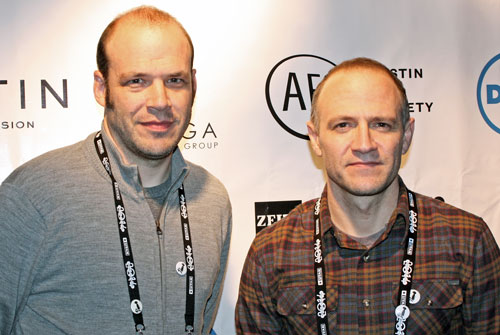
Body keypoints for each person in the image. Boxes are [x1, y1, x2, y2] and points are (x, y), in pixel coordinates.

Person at [0, 6, 232, 335]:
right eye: (137, 81)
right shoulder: (32, 198)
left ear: (193, 84)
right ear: (101, 87)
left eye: (175, 80)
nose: (161, 101)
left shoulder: (213, 200)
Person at [235, 57, 500, 334]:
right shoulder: (270, 254)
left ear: (406, 135)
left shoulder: (468, 241)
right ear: (315, 138)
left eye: (381, 124)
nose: (364, 145)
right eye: (343, 125)